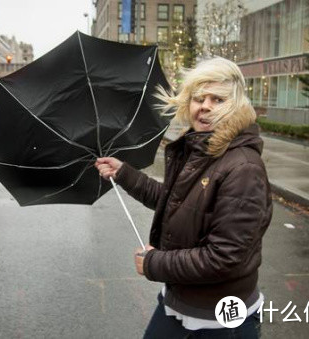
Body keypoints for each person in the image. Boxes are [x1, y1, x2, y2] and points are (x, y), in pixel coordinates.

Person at [95, 57, 272, 338]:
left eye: (217, 99)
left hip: (218, 319)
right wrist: (124, 173)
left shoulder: (243, 168)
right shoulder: (199, 150)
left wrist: (155, 264)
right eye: (198, 97)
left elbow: (225, 257)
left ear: (235, 105)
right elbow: (177, 204)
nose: (204, 106)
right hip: (180, 300)